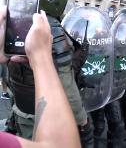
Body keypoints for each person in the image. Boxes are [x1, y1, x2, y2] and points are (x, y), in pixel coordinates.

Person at [0, 8, 81, 148]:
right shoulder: (50, 31)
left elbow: (10, 76)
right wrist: (80, 116)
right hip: (47, 115)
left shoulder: (13, 28)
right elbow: (66, 80)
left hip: (21, 111)